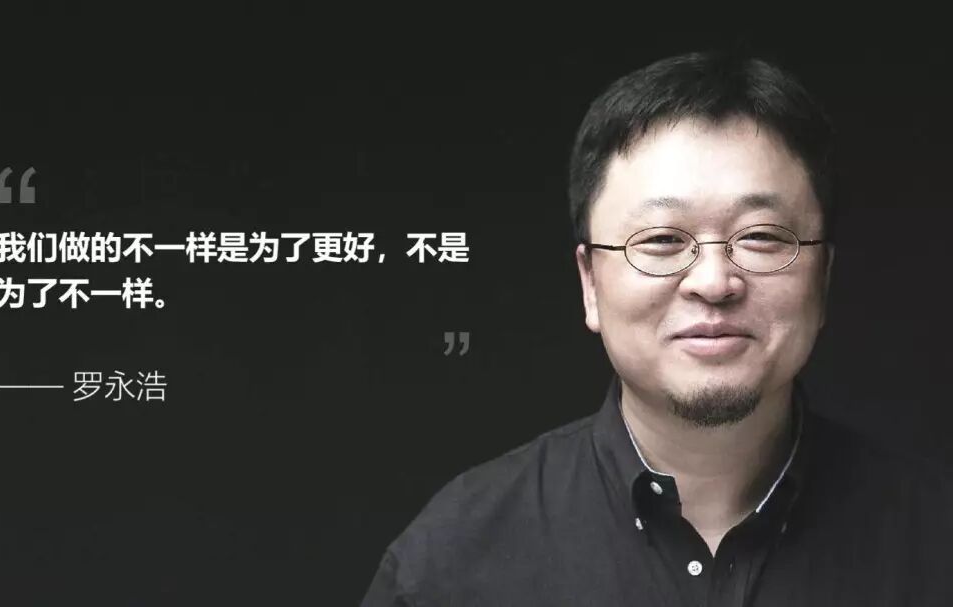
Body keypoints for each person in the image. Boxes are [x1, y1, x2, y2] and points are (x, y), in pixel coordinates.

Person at [359, 50, 953, 606]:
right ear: (590, 283)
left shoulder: (933, 539)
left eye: (761, 236)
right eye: (663, 240)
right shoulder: (450, 562)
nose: (714, 282)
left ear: (823, 278)